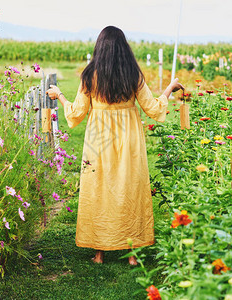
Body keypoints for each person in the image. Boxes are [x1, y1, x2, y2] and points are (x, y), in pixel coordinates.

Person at [47, 26, 184, 265]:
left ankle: (99, 253)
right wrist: (170, 88)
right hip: (129, 139)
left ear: (99, 48)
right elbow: (152, 108)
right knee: (129, 189)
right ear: (124, 48)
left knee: (98, 189)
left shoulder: (90, 75)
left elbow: (77, 112)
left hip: (99, 139)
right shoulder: (133, 74)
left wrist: (59, 95)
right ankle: (132, 254)